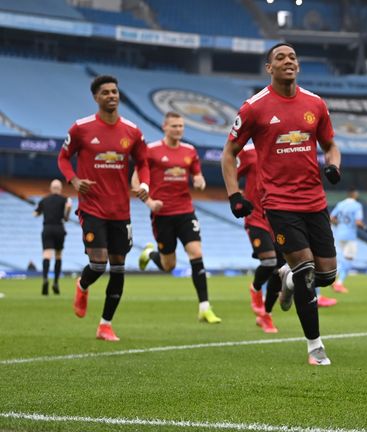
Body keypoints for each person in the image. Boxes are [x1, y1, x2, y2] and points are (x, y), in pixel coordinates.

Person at [221, 43, 341, 365]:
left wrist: (333, 165)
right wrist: (235, 195)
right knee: (306, 271)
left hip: (315, 201)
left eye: (292, 57)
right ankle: (315, 346)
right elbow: (229, 154)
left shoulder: (315, 104)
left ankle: (286, 277)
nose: (288, 61)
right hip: (278, 203)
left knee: (327, 275)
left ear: (298, 67)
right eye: (280, 58)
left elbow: (331, 145)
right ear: (269, 68)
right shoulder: (254, 108)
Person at [57, 74, 150, 342]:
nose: (112, 96)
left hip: (121, 210)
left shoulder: (132, 131)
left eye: (115, 91)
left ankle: (105, 325)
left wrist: (144, 183)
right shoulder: (81, 128)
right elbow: (63, 158)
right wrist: (74, 180)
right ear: (96, 97)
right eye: (106, 92)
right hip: (93, 207)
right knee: (98, 265)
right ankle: (82, 284)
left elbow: (143, 162)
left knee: (119, 268)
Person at [134, 112, 221, 323]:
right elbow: (136, 180)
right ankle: (149, 254)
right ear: (164, 127)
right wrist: (149, 202)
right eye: (174, 126)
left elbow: (197, 173)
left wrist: (200, 181)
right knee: (169, 265)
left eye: (181, 126)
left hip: (185, 211)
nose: (179, 129)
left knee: (196, 252)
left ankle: (204, 307)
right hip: (162, 214)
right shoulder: (151, 151)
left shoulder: (189, 150)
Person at [236, 142, 284, 333]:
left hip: (279, 218)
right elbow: (230, 168)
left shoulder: (284, 148)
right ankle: (255, 289)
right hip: (256, 217)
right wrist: (235, 195)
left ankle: (266, 316)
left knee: (280, 270)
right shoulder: (248, 152)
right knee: (269, 261)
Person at [34, 179, 72, 295]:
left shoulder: (44, 200)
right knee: (58, 255)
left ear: (51, 188)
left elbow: (35, 214)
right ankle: (55, 282)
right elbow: (69, 206)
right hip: (59, 228)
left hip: (47, 228)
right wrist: (66, 216)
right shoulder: (65, 199)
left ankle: (45, 279)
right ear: (60, 189)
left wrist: (40, 211)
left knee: (46, 254)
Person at [330, 188, 367, 294]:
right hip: (350, 236)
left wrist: (339, 224)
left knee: (343, 258)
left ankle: (334, 280)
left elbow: (332, 218)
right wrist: (366, 228)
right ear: (354, 194)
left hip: (340, 234)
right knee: (349, 259)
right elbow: (358, 222)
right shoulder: (357, 205)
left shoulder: (340, 204)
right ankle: (338, 283)